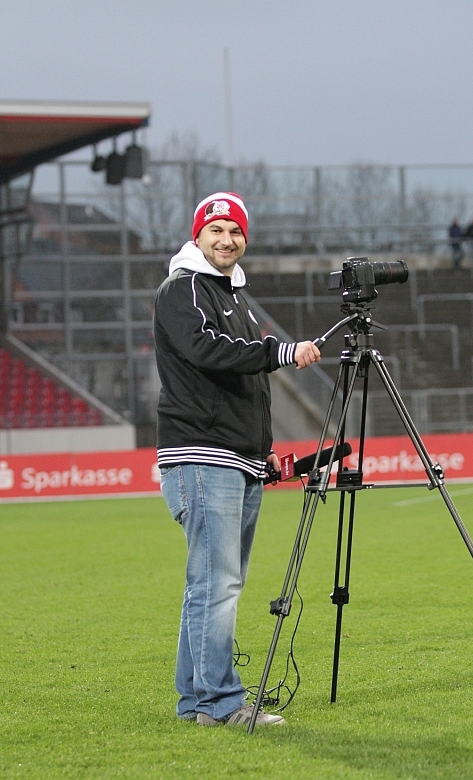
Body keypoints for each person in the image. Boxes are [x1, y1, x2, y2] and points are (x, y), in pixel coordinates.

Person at [153, 191, 321, 728]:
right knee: (217, 585)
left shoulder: (235, 297)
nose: (227, 240)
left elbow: (243, 383)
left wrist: (260, 448)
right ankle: (223, 704)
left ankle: (196, 703)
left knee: (211, 584)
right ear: (197, 235)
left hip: (233, 456)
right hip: (202, 455)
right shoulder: (183, 288)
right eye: (216, 230)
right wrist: (279, 351)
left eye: (235, 232)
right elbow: (206, 349)